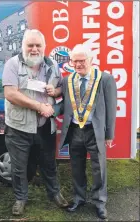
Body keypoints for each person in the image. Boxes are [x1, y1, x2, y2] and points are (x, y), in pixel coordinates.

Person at [2, 29, 68, 215]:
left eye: (38, 45)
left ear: (44, 47)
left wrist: (54, 92)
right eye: (30, 45)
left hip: (46, 127)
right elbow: (10, 94)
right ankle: (21, 199)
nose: (34, 49)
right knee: (19, 167)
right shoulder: (12, 65)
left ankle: (55, 194)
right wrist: (39, 106)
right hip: (18, 127)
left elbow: (61, 88)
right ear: (23, 46)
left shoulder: (53, 65)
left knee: (49, 163)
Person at [53, 44, 117, 219]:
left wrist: (109, 134)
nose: (78, 64)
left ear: (91, 60)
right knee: (76, 167)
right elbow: (65, 105)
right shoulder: (68, 80)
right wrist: (51, 109)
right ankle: (79, 199)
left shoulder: (105, 79)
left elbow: (111, 109)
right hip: (75, 131)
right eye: (75, 61)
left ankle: (100, 202)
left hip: (94, 131)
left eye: (82, 60)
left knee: (99, 169)